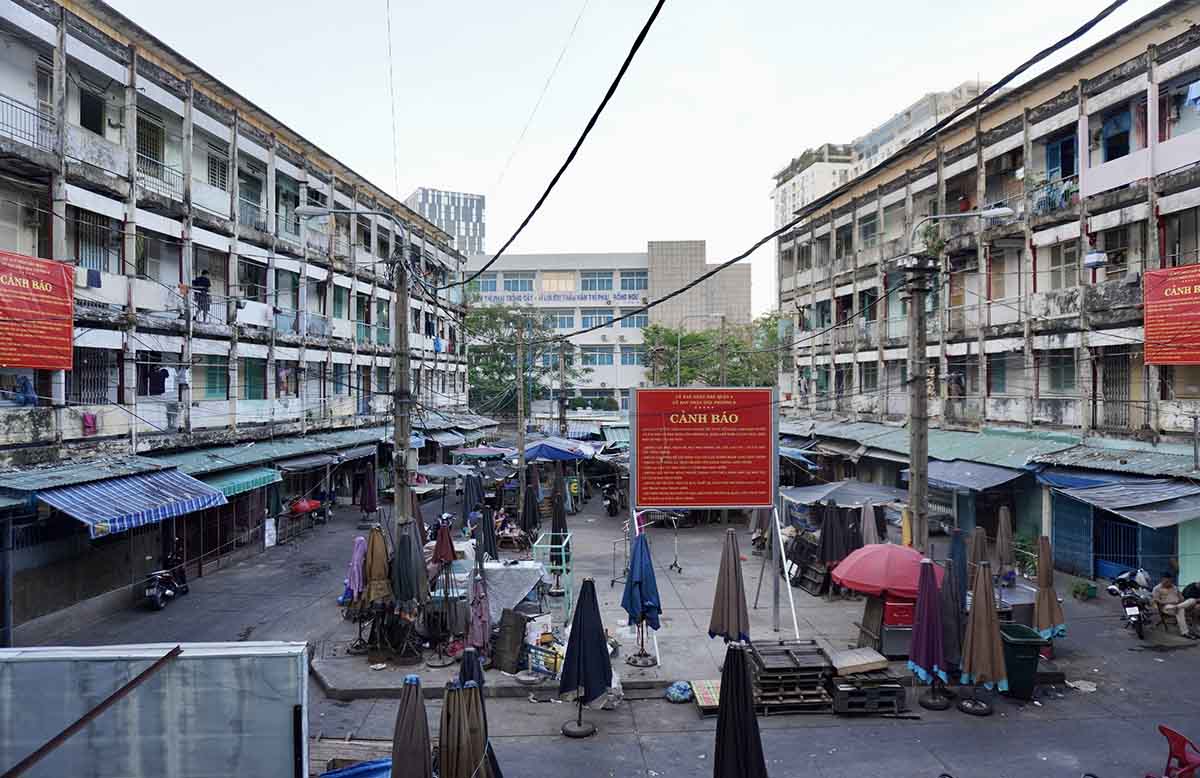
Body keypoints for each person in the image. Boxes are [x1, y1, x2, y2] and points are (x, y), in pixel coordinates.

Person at [1152, 574, 1199, 638]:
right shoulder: (1156, 589)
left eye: (1170, 582)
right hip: (1166, 607)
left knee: (1192, 600)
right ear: (1162, 580)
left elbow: (1181, 597)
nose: (1169, 583)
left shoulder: (1174, 587)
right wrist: (1170, 602)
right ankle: (1185, 632)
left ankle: (1195, 630)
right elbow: (1156, 601)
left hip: (1178, 605)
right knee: (1180, 610)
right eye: (1166, 582)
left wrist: (1182, 600)